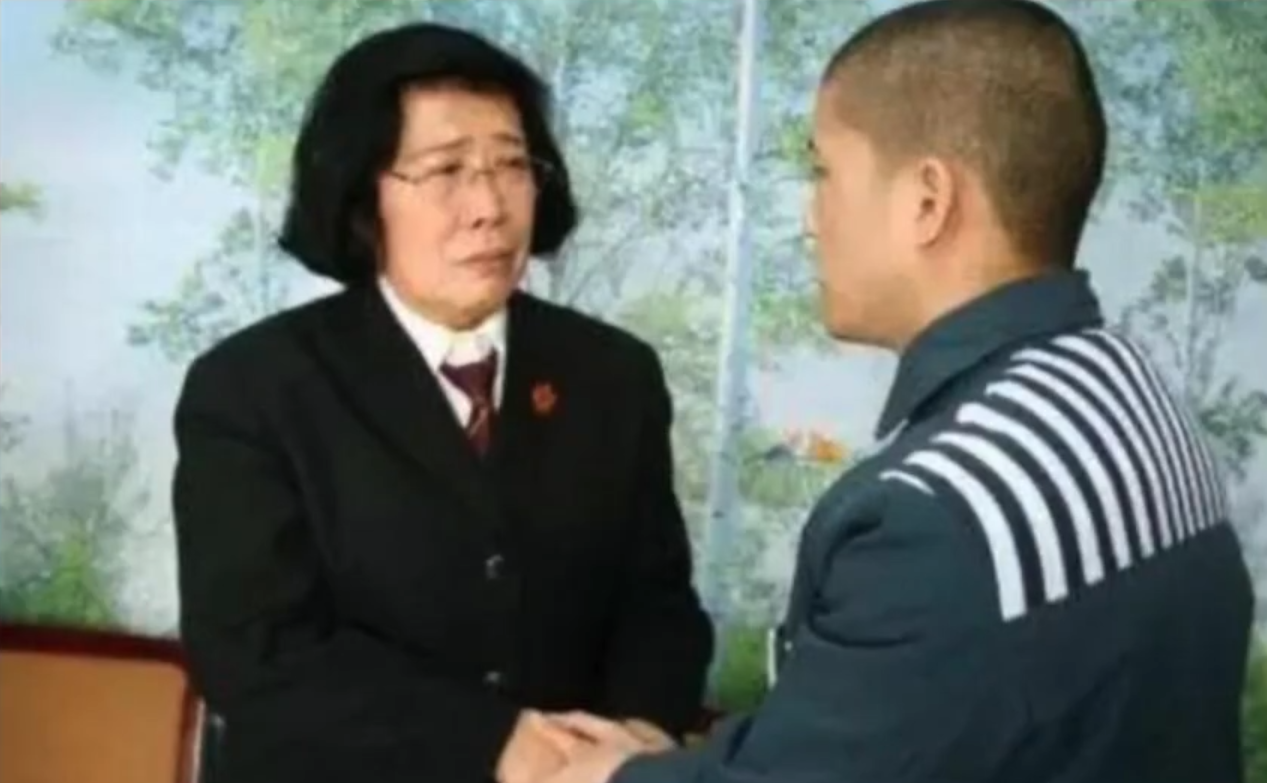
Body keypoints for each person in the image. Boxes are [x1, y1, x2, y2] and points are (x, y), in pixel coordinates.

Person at [541, 2, 1255, 782]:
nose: (810, 219)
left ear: (926, 201)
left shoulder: (933, 516)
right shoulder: (1133, 393)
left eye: (822, 171)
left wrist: (609, 777)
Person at [170, 22, 713, 783]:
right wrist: (494, 743)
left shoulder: (613, 375)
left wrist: (633, 741)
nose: (489, 205)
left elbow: (656, 604)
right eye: (447, 169)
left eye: (512, 165)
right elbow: (257, 649)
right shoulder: (252, 387)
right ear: (364, 197)